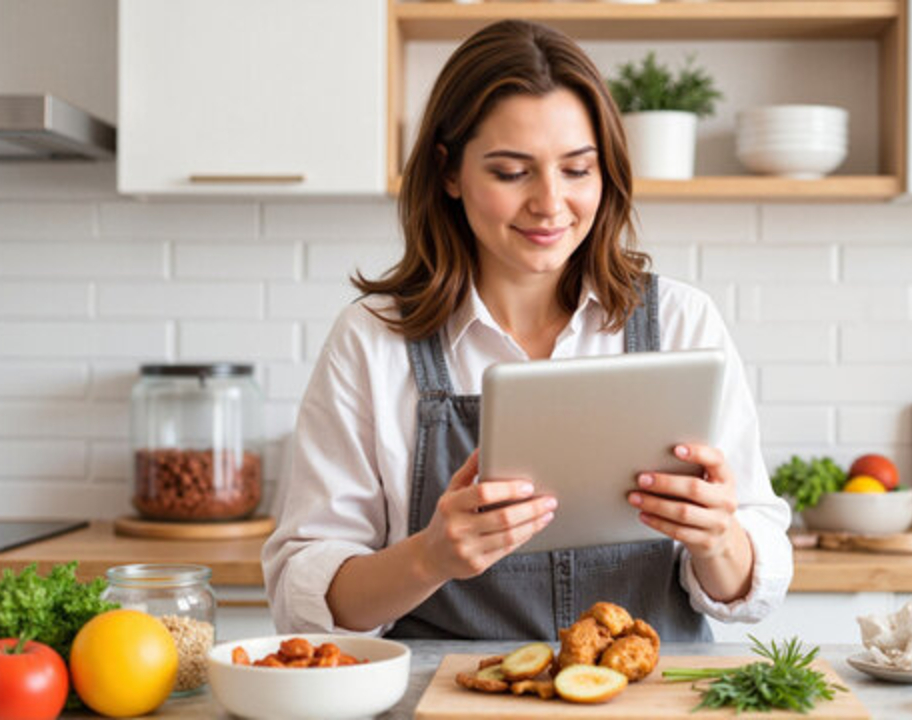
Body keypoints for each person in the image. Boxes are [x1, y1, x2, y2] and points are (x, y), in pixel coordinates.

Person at [263, 19, 791, 640]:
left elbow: (754, 587)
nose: (550, 203)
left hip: (648, 698)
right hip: (446, 701)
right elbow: (305, 597)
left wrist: (719, 538)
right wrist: (429, 556)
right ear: (450, 172)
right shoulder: (373, 339)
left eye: (576, 170)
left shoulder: (681, 320)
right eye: (512, 172)